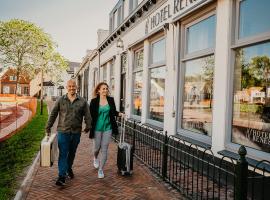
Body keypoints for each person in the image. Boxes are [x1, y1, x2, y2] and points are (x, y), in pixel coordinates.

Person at [45, 79, 91, 186]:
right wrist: (48, 127)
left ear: (77, 87)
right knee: (63, 154)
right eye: (69, 86)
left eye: (73, 86)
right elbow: (53, 114)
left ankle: (69, 168)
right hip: (63, 131)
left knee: (72, 153)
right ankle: (61, 176)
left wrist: (88, 126)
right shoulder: (61, 100)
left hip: (76, 132)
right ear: (67, 87)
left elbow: (87, 115)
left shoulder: (83, 101)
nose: (71, 88)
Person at [89, 82, 124, 179]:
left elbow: (114, 112)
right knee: (96, 148)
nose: (105, 90)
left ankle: (101, 169)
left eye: (106, 88)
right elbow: (90, 115)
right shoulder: (94, 101)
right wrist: (87, 125)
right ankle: (95, 157)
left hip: (108, 128)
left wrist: (120, 114)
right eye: (103, 89)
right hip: (97, 128)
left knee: (104, 149)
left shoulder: (111, 100)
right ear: (98, 90)